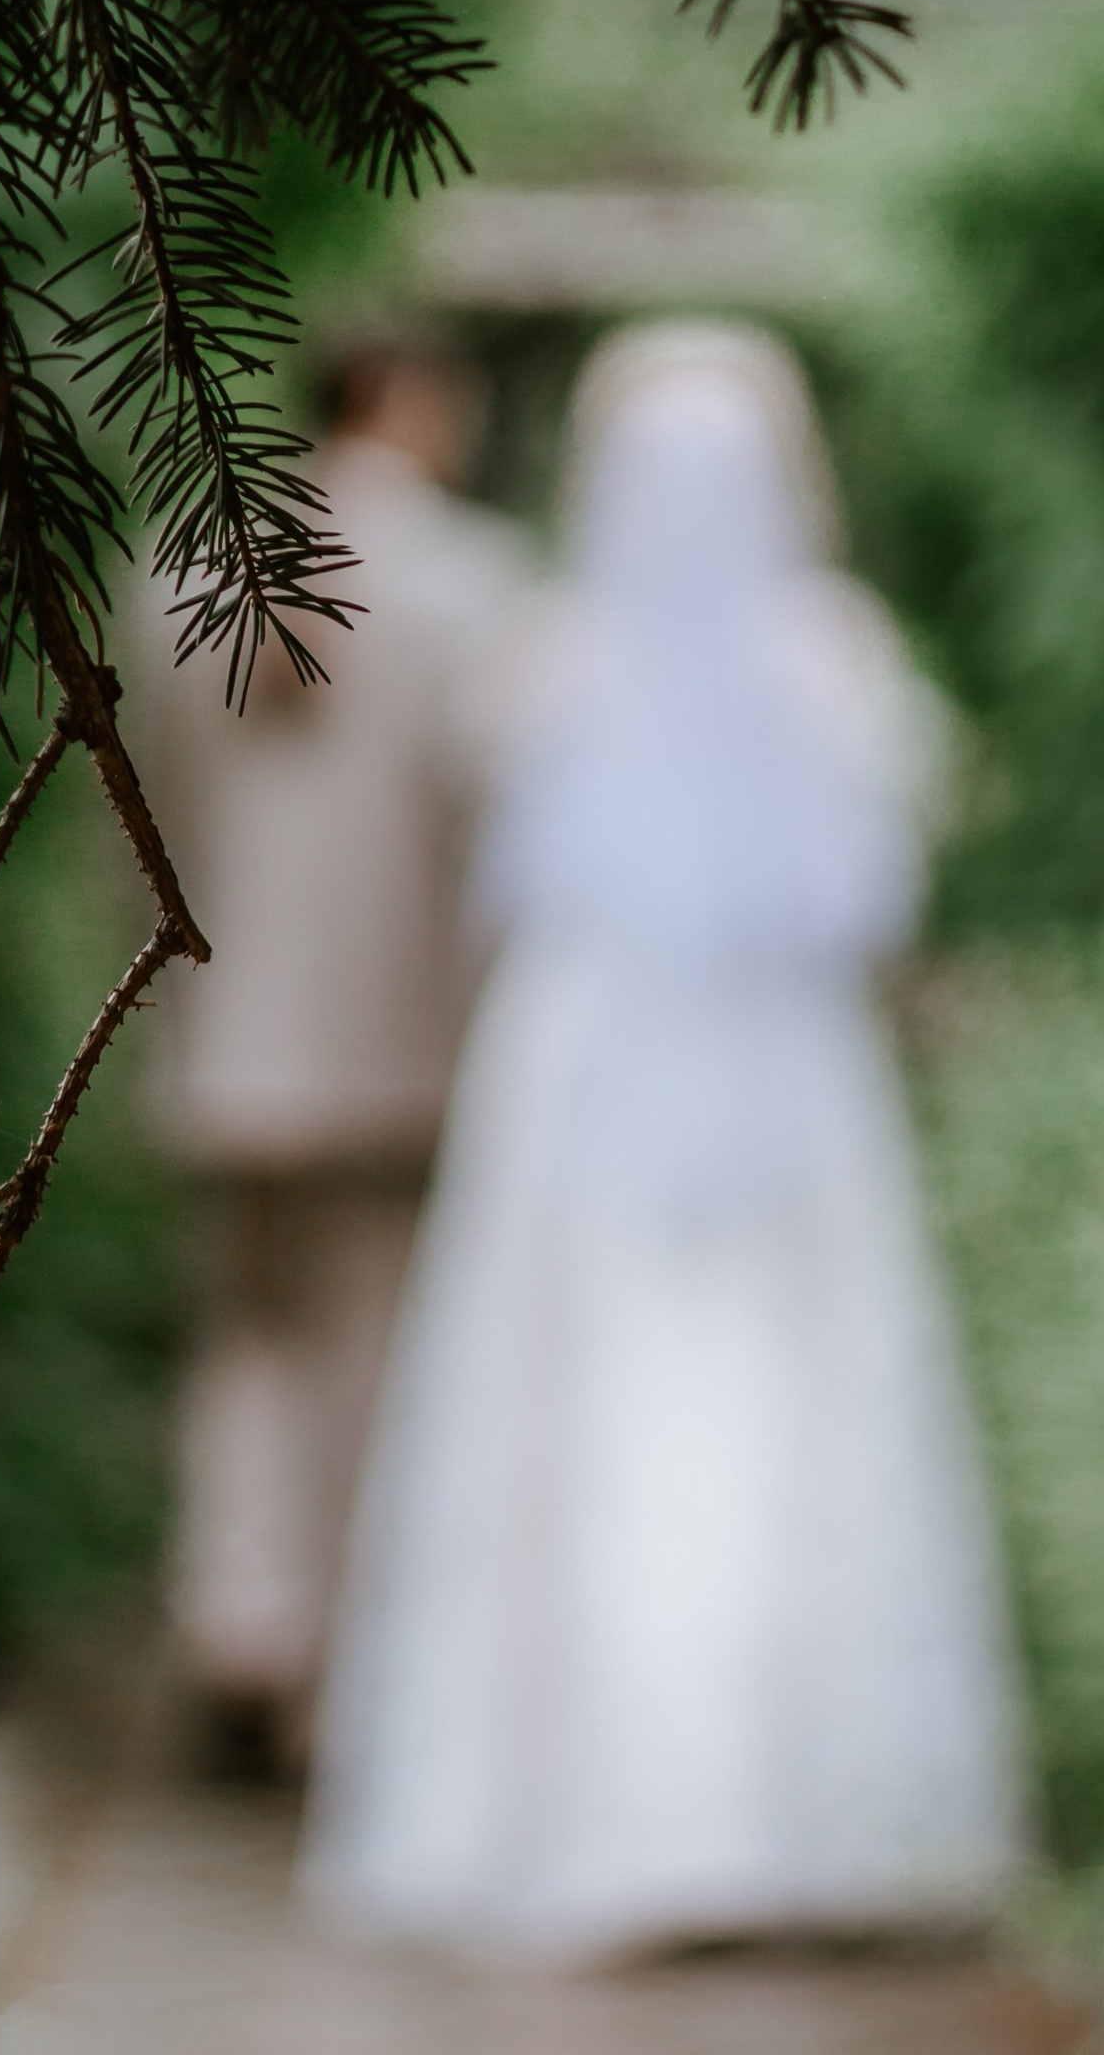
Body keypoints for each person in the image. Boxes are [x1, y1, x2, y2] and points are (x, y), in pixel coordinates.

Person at [304, 320, 1027, 1956]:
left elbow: (499, 860)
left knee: (594, 1409)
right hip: (783, 1066)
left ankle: (592, 1807)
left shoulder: (549, 655)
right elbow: (882, 890)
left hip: (581, 1068)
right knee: (780, 1408)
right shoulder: (833, 656)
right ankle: (798, 1818)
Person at [127, 327, 524, 1768]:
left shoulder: (182, 571)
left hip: (227, 1039)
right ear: (411, 401)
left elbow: (145, 816)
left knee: (244, 1337)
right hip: (398, 1045)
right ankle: (334, 1676)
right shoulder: (466, 582)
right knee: (368, 1347)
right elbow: (494, 832)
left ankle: (238, 1615)